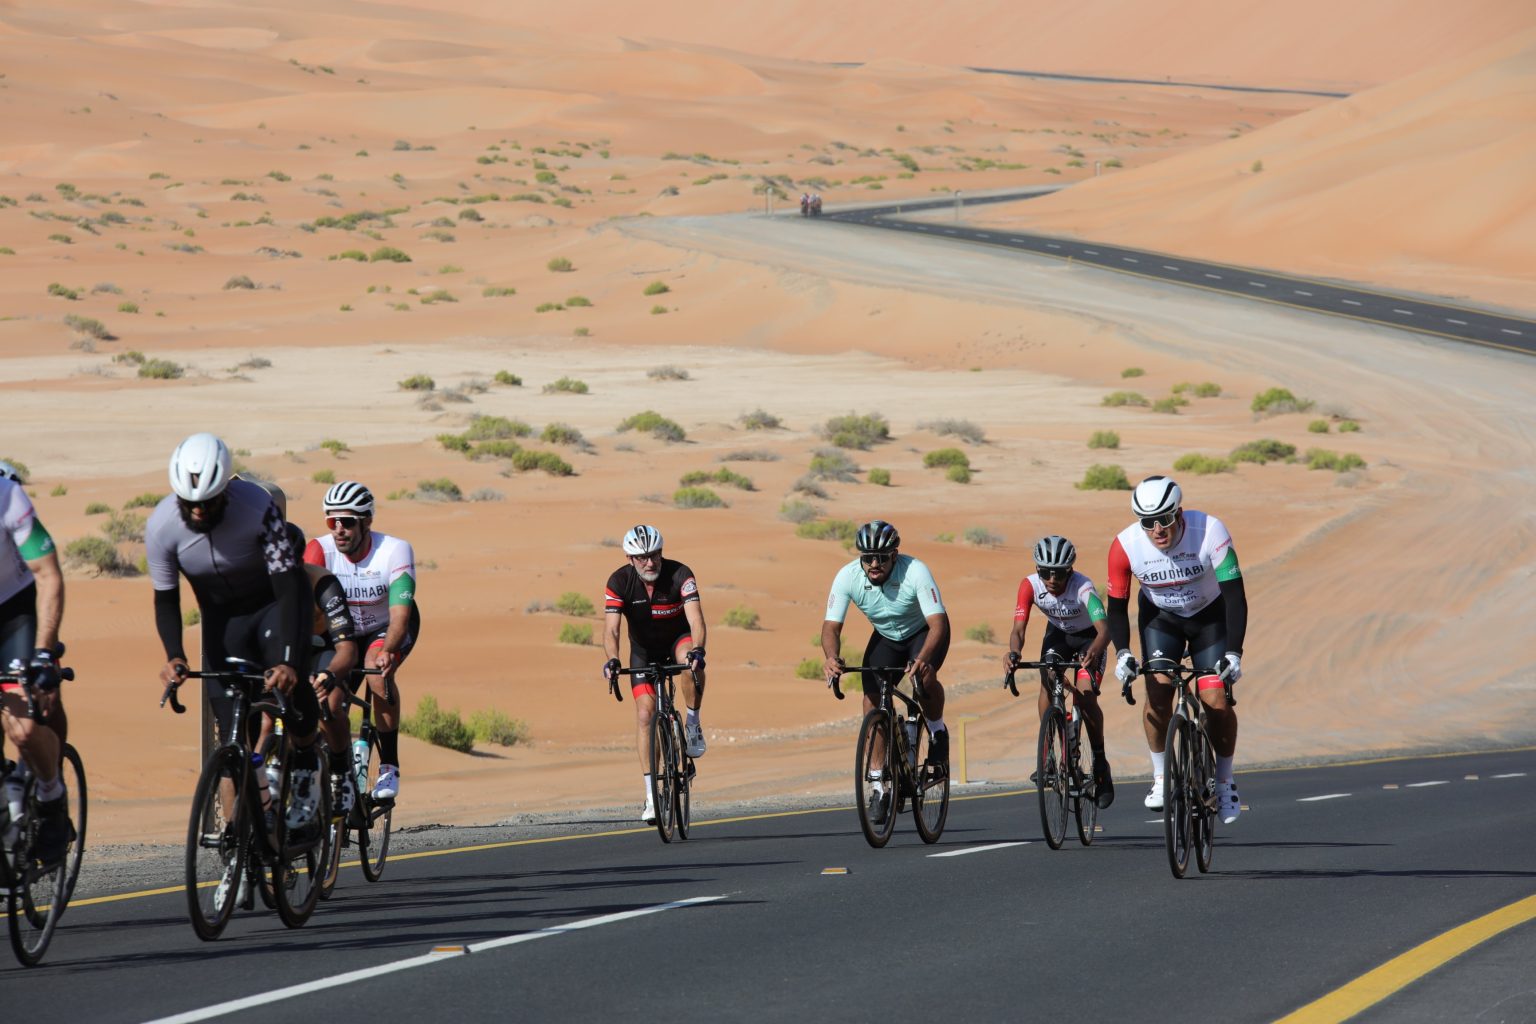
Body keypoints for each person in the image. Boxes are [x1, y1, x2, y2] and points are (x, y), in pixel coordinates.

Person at [147, 435, 324, 833]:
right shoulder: (160, 526)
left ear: (226, 490)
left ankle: (307, 760)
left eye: (208, 502)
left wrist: (290, 661)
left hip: (272, 606)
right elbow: (166, 598)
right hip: (222, 622)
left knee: (291, 684)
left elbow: (290, 586)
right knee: (233, 734)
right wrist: (174, 654)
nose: (198, 510)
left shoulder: (257, 507)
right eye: (189, 502)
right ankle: (248, 830)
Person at [1105, 476, 1247, 824]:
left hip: (1209, 618)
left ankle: (1224, 781)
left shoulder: (1209, 530)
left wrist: (1234, 653)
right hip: (1161, 620)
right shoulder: (1124, 546)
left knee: (1215, 699)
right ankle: (1160, 776)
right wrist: (1122, 653)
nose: (1157, 530)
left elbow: (1234, 597)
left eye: (1165, 519)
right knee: (1158, 693)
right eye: (1148, 522)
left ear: (1179, 513)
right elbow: (1117, 609)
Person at [822, 520, 950, 826]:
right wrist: (831, 657)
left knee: (923, 678)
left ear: (895, 555)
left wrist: (923, 659)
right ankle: (879, 785)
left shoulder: (915, 571)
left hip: (923, 633)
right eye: (867, 557)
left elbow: (938, 624)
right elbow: (830, 627)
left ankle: (937, 730)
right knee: (872, 701)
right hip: (887, 637)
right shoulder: (848, 576)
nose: (874, 564)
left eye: (881, 557)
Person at [249, 480, 361, 815]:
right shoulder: (260, 583)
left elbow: (347, 649)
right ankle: (258, 790)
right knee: (266, 717)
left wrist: (329, 676)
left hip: (322, 647)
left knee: (330, 704)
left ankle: (340, 770)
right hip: (282, 648)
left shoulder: (323, 583)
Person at [303, 481, 417, 804]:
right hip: (342, 633)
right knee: (328, 699)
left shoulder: (394, 550)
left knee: (376, 672)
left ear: (366, 522)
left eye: (348, 521)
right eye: (332, 521)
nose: (339, 529)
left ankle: (389, 765)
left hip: (385, 626)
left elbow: (400, 617)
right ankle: (339, 773)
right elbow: (305, 611)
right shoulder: (319, 550)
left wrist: (387, 651)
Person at [601, 525, 708, 825]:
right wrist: (612, 659)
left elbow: (697, 620)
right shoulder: (618, 582)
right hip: (643, 651)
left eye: (655, 555)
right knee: (645, 715)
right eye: (642, 557)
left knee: (690, 662)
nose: (650, 562)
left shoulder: (680, 574)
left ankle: (693, 724)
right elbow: (611, 630)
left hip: (678, 641)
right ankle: (651, 796)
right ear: (629, 558)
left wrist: (698, 650)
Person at [0, 460, 73, 865]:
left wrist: (43, 654)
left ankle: (50, 796)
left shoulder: (7, 496)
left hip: (14, 610)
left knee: (24, 728)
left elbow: (48, 574)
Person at [1006, 534, 1114, 808]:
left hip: (1090, 639)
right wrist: (1014, 653)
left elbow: (1105, 630)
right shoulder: (1029, 585)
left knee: (1085, 696)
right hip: (1059, 636)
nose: (1052, 579)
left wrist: (1095, 651)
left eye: (1059, 573)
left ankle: (1100, 761)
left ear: (1071, 570)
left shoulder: (1083, 587)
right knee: (1048, 676)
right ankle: (1049, 756)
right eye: (1045, 572)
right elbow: (1018, 630)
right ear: (1037, 569)